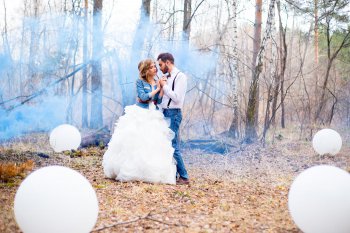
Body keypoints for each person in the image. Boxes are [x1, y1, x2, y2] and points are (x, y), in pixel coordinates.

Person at [102, 59, 176, 184]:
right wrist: (157, 88)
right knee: (136, 142)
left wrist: (162, 88)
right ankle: (132, 171)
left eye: (155, 67)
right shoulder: (140, 82)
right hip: (140, 113)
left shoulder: (156, 81)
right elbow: (143, 97)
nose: (155, 69)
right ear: (146, 70)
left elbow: (157, 100)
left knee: (151, 143)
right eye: (152, 67)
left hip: (153, 113)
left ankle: (150, 172)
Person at [157, 52, 190, 185]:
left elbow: (177, 97)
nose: (159, 68)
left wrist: (164, 86)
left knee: (173, 145)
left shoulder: (180, 77)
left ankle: (184, 176)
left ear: (168, 62)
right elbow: (162, 99)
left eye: (160, 64)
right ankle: (174, 174)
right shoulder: (165, 77)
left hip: (174, 114)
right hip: (165, 113)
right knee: (166, 145)